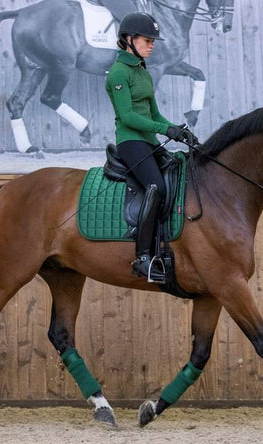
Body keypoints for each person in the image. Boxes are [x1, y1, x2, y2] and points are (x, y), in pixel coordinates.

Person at [104, 12, 197, 280]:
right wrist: (165, 130)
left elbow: (154, 115)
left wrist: (177, 130)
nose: (152, 44)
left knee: (177, 179)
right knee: (155, 187)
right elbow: (129, 117)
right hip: (131, 143)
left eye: (153, 40)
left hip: (149, 141)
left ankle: (165, 246)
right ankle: (143, 257)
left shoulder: (142, 71)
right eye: (147, 40)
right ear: (129, 40)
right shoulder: (119, 73)